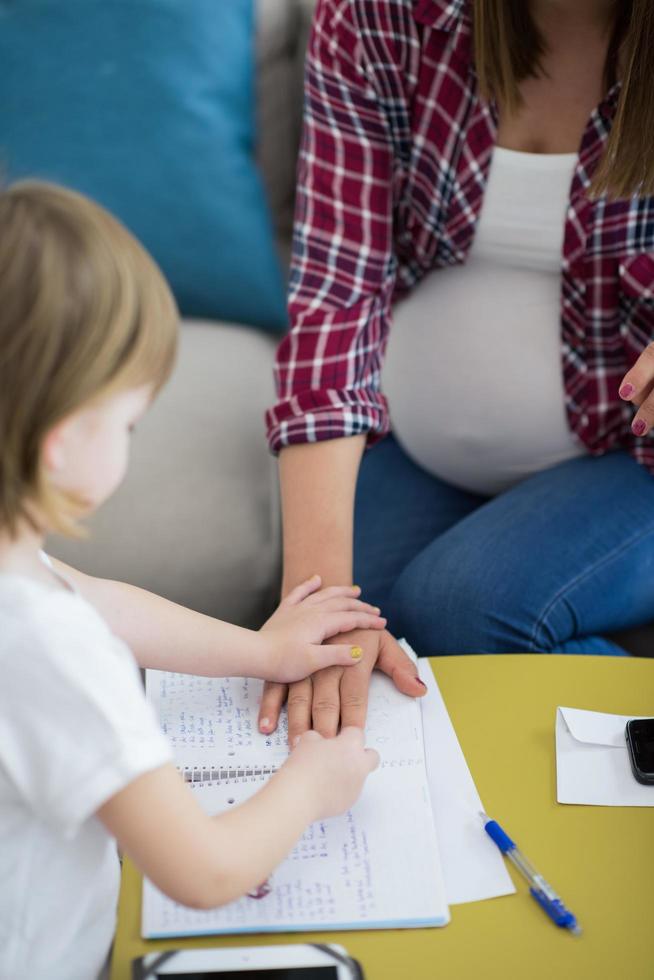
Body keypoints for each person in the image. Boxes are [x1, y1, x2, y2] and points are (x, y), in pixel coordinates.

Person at [0, 181, 387, 980]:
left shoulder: (20, 575)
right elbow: (205, 870)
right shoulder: (48, 650)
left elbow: (103, 604)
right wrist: (314, 784)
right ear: (63, 442)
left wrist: (260, 651)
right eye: (129, 422)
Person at [260, 0, 654, 743]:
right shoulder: (381, 17)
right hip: (414, 442)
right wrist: (319, 605)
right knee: (351, 650)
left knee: (456, 608)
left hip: (632, 455)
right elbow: (336, 291)